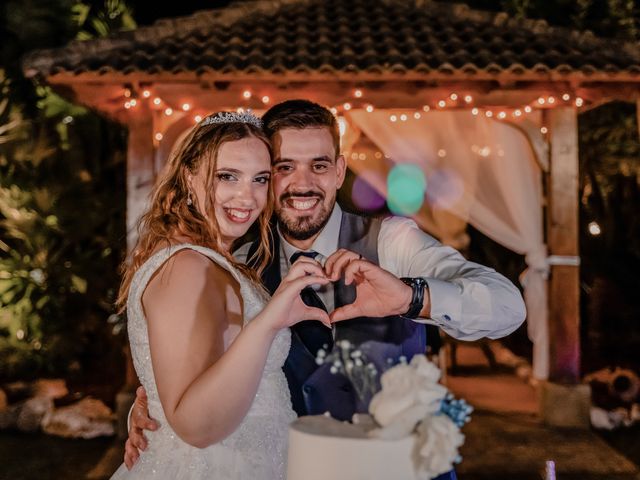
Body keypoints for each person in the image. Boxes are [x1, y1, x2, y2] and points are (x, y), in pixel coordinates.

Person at [125, 100, 527, 479]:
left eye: (318, 166)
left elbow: (508, 306)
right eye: (284, 168)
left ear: (339, 171)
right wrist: (149, 411)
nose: (302, 185)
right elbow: (201, 370)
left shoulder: (392, 241)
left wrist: (411, 297)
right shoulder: (240, 265)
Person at [110, 111, 332, 479]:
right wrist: (270, 320)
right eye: (227, 176)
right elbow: (195, 426)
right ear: (189, 176)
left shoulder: (216, 260)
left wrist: (151, 399)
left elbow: (199, 369)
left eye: (259, 179)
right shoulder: (187, 267)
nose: (246, 196)